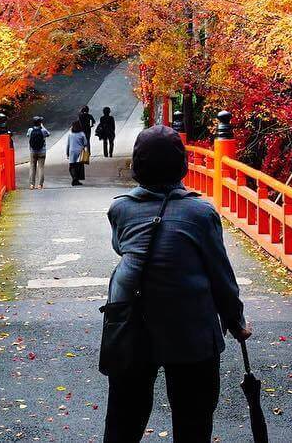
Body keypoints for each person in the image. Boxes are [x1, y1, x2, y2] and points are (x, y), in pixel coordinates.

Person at [103, 125, 251, 443]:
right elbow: (220, 276)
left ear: (137, 167)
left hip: (131, 324)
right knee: (193, 420)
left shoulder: (121, 209)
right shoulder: (201, 213)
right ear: (182, 165)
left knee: (123, 422)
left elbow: (122, 247)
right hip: (191, 328)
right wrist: (235, 321)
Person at [25, 116, 49, 189]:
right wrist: (42, 126)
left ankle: (32, 184)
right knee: (41, 167)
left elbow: (27, 136)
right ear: (40, 123)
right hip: (42, 151)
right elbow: (48, 134)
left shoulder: (30, 130)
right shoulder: (43, 131)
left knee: (32, 167)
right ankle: (40, 185)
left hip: (33, 151)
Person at [66, 120, 88, 186]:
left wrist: (67, 152)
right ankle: (77, 179)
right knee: (79, 166)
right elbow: (85, 143)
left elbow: (68, 144)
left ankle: (74, 178)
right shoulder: (82, 134)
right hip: (80, 151)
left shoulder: (70, 134)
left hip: (72, 151)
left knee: (72, 166)